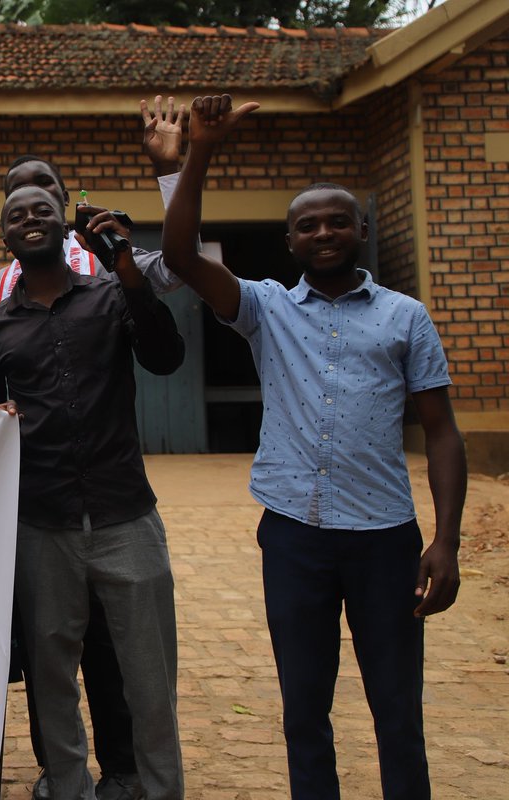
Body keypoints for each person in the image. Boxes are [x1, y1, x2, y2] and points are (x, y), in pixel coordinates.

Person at [161, 93, 466, 800]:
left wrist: (446, 541)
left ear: (360, 230)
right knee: (305, 712)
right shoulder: (264, 308)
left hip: (386, 540)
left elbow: (443, 431)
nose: (324, 231)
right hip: (294, 538)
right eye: (308, 225)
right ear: (290, 241)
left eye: (337, 220)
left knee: (398, 711)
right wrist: (200, 149)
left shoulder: (405, 317)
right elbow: (178, 255)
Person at [0, 98, 188, 800]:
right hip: (42, 523)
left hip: (126, 513)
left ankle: (160, 788)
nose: (30, 218)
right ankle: (65, 785)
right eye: (17, 212)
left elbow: (165, 355)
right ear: (4, 232)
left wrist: (126, 266)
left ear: (63, 217)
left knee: (149, 673)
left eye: (43, 208)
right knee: (49, 669)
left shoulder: (108, 294)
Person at [0, 96, 186, 314]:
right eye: (20, 190)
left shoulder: (105, 257)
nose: (34, 195)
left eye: (44, 184)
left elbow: (177, 271)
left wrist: (168, 168)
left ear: (65, 197)